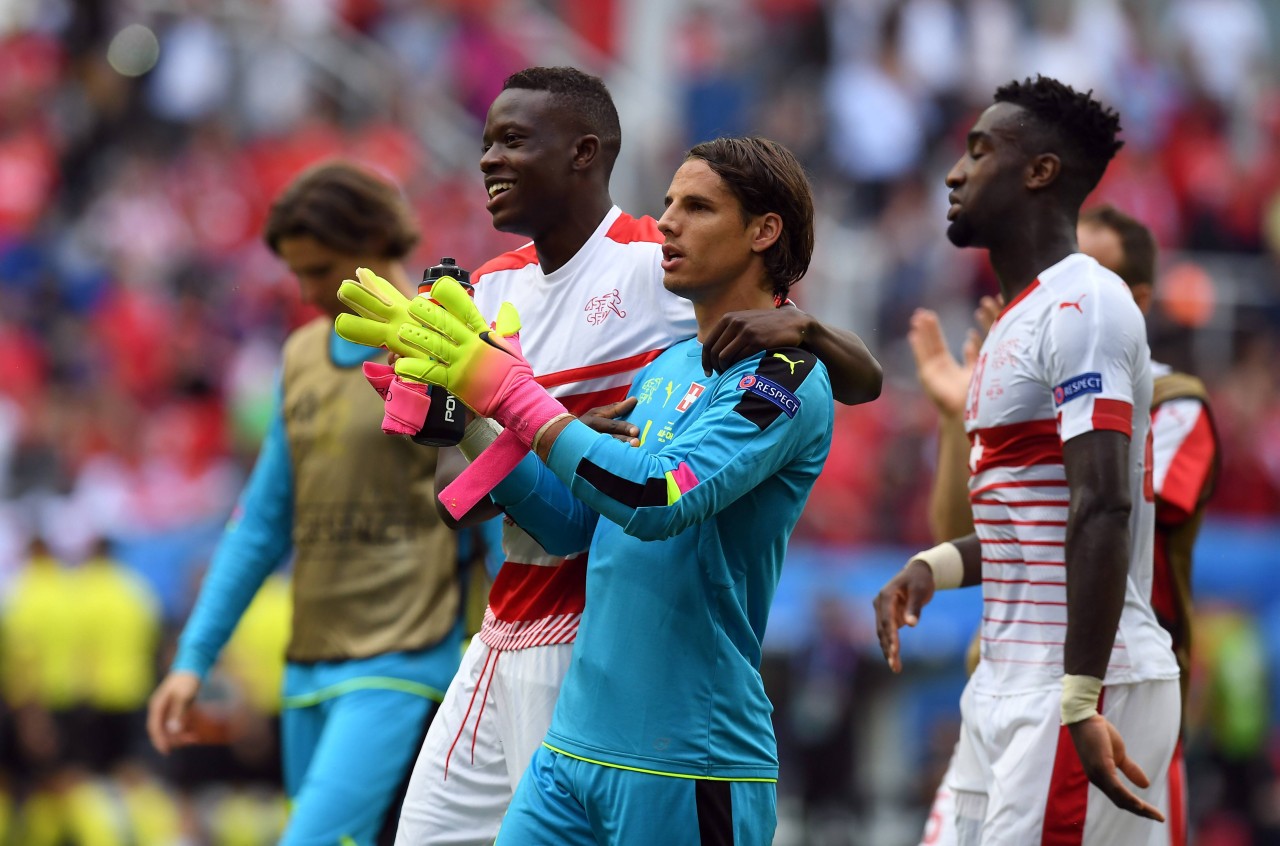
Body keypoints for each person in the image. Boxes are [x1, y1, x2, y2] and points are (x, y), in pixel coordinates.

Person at [390, 66, 882, 845]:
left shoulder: (783, 377)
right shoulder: (663, 370)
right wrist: (474, 420)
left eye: (696, 208)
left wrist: (510, 390)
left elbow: (657, 499)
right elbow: (570, 525)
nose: (669, 226)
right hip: (572, 747)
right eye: (669, 205)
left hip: (685, 756)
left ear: (762, 232)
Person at [874, 76, 1181, 845]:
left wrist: (1080, 696)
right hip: (1007, 679)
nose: (954, 172)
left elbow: (1102, 504)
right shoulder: (1018, 319)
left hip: (1076, 682)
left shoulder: (1087, 303)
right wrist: (935, 567)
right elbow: (1037, 526)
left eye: (979, 152)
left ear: (1039, 172)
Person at [145, 161, 466, 846]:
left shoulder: (447, 344)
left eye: (321, 270)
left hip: (407, 657)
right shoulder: (299, 357)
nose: (307, 290)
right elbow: (261, 523)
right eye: (298, 273)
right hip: (308, 665)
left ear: (377, 243)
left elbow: (497, 504)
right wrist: (192, 660)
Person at [910, 204, 1219, 846]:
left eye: (1090, 271)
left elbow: (1095, 511)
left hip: (1115, 683)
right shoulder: (1025, 382)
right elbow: (972, 530)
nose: (1066, 289)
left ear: (1132, 299)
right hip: (1010, 677)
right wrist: (958, 412)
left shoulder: (1176, 401)